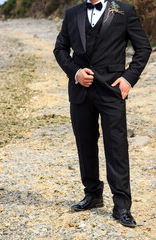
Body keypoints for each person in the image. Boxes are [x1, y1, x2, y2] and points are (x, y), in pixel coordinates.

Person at [53, 0, 151, 227]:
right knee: (85, 143)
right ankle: (93, 194)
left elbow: (143, 48)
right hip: (80, 91)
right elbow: (60, 48)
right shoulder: (72, 13)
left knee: (116, 146)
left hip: (112, 91)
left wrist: (128, 79)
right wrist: (75, 72)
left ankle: (122, 206)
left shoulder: (124, 10)